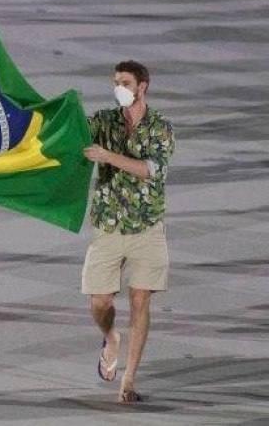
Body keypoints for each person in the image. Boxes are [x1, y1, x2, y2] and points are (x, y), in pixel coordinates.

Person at [82, 60, 175, 404]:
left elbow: (151, 170)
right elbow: (73, 131)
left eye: (124, 82)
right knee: (99, 301)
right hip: (108, 225)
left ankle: (129, 380)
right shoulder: (104, 121)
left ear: (143, 85)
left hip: (147, 226)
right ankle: (110, 338)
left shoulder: (160, 127)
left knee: (140, 301)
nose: (118, 88)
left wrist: (107, 156)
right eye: (115, 82)